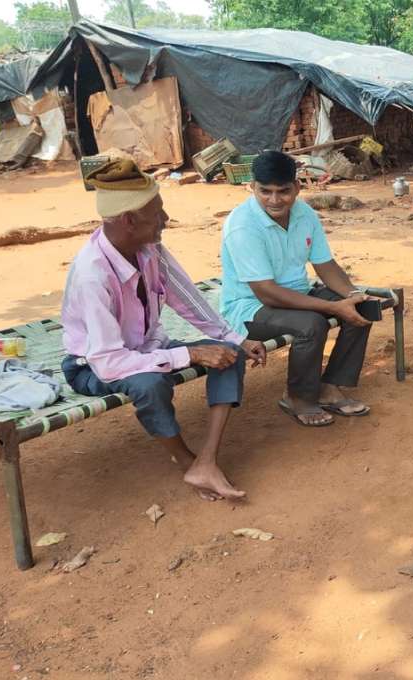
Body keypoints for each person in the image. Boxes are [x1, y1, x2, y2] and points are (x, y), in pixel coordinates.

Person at [61, 159, 267, 501]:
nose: (166, 220)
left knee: (228, 354)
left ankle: (206, 460)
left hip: (147, 348)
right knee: (150, 383)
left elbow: (187, 298)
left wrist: (234, 338)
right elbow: (109, 363)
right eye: (158, 214)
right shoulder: (91, 276)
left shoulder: (150, 248)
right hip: (93, 366)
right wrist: (191, 353)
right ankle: (186, 460)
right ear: (128, 220)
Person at [220, 150, 376, 427]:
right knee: (312, 325)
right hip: (250, 308)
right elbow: (266, 292)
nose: (275, 200)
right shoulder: (242, 225)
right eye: (265, 191)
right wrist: (331, 306)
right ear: (252, 187)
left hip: (297, 295)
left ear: (297, 187)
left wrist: (352, 296)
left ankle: (329, 387)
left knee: (363, 307)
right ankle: (297, 397)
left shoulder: (304, 213)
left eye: (283, 191)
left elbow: (325, 265)